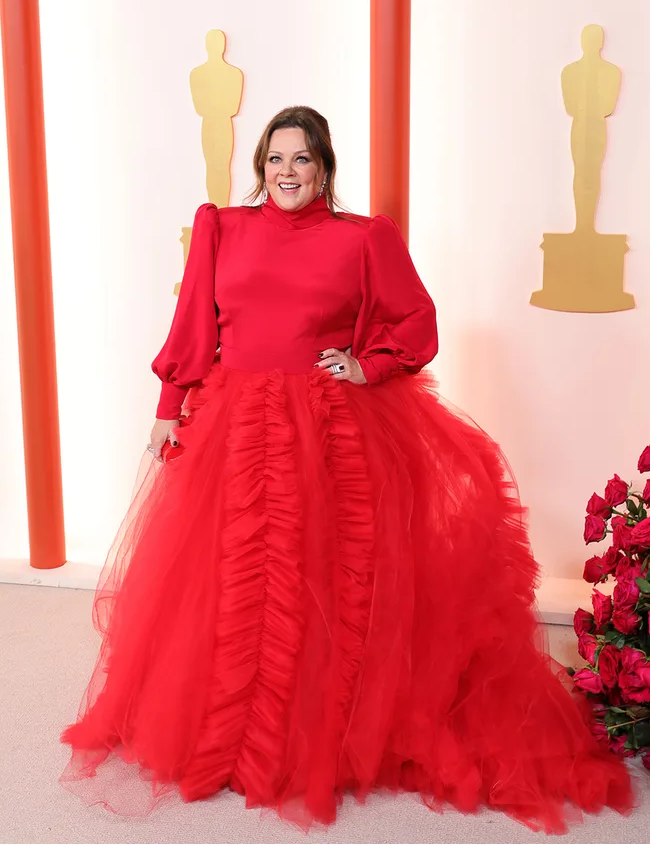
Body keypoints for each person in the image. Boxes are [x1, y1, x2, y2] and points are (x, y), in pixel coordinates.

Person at [61, 106, 634, 832]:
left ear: (325, 167)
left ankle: (309, 741)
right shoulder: (221, 227)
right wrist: (170, 402)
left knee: (317, 581)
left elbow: (414, 321)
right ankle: (229, 739)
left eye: (302, 160)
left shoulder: (363, 238)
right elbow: (193, 328)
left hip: (323, 429)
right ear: (259, 165)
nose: (286, 173)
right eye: (275, 159)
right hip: (233, 424)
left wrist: (368, 365)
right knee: (231, 580)